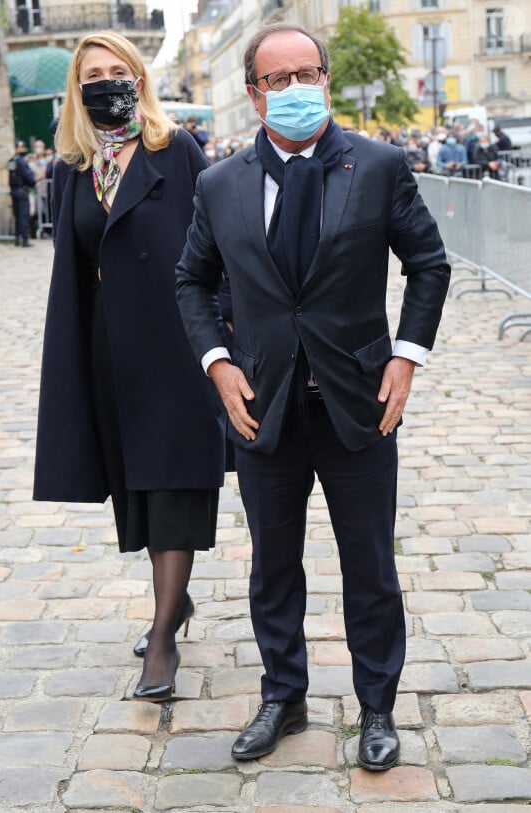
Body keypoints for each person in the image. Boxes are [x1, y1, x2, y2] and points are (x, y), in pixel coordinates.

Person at [176, 22, 450, 769]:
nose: (297, 89)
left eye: (309, 74)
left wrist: (406, 357)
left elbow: (428, 263)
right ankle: (283, 695)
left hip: (360, 402)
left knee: (369, 564)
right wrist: (218, 362)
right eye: (279, 79)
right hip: (261, 407)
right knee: (272, 565)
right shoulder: (219, 183)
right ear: (253, 93)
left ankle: (377, 707)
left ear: (326, 78)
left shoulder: (381, 165)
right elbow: (191, 280)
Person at [33, 30, 227, 703]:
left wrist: (225, 331)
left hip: (178, 345)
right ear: (77, 88)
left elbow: (215, 245)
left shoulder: (176, 150)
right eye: (94, 73)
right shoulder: (71, 167)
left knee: (175, 485)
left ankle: (165, 632)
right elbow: (72, 263)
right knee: (141, 490)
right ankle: (173, 603)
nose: (108, 81)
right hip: (111, 349)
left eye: (119, 69)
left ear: (140, 78)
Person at [7, 140, 36, 247]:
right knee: (23, 215)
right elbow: (27, 175)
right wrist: (33, 182)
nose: (23, 149)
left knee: (17, 215)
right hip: (22, 190)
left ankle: (17, 238)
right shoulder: (21, 161)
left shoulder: (11, 160)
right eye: (22, 147)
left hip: (14, 190)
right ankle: (24, 239)